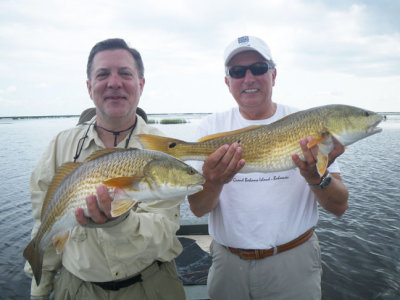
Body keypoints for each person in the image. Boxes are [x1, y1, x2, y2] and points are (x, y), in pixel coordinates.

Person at [188, 35, 349, 300]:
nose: (248, 78)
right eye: (237, 72)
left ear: (274, 75)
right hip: (228, 265)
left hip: (293, 264)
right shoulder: (209, 129)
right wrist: (215, 180)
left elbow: (339, 206)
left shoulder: (309, 124)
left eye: (259, 68)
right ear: (227, 82)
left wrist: (316, 178)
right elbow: (197, 208)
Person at [24, 38, 186, 300]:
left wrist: (118, 222)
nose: (114, 83)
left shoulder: (164, 149)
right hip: (77, 289)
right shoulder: (60, 146)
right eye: (102, 75)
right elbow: (43, 222)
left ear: (141, 84)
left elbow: (162, 234)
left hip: (150, 286)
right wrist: (39, 291)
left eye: (125, 73)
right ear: (89, 87)